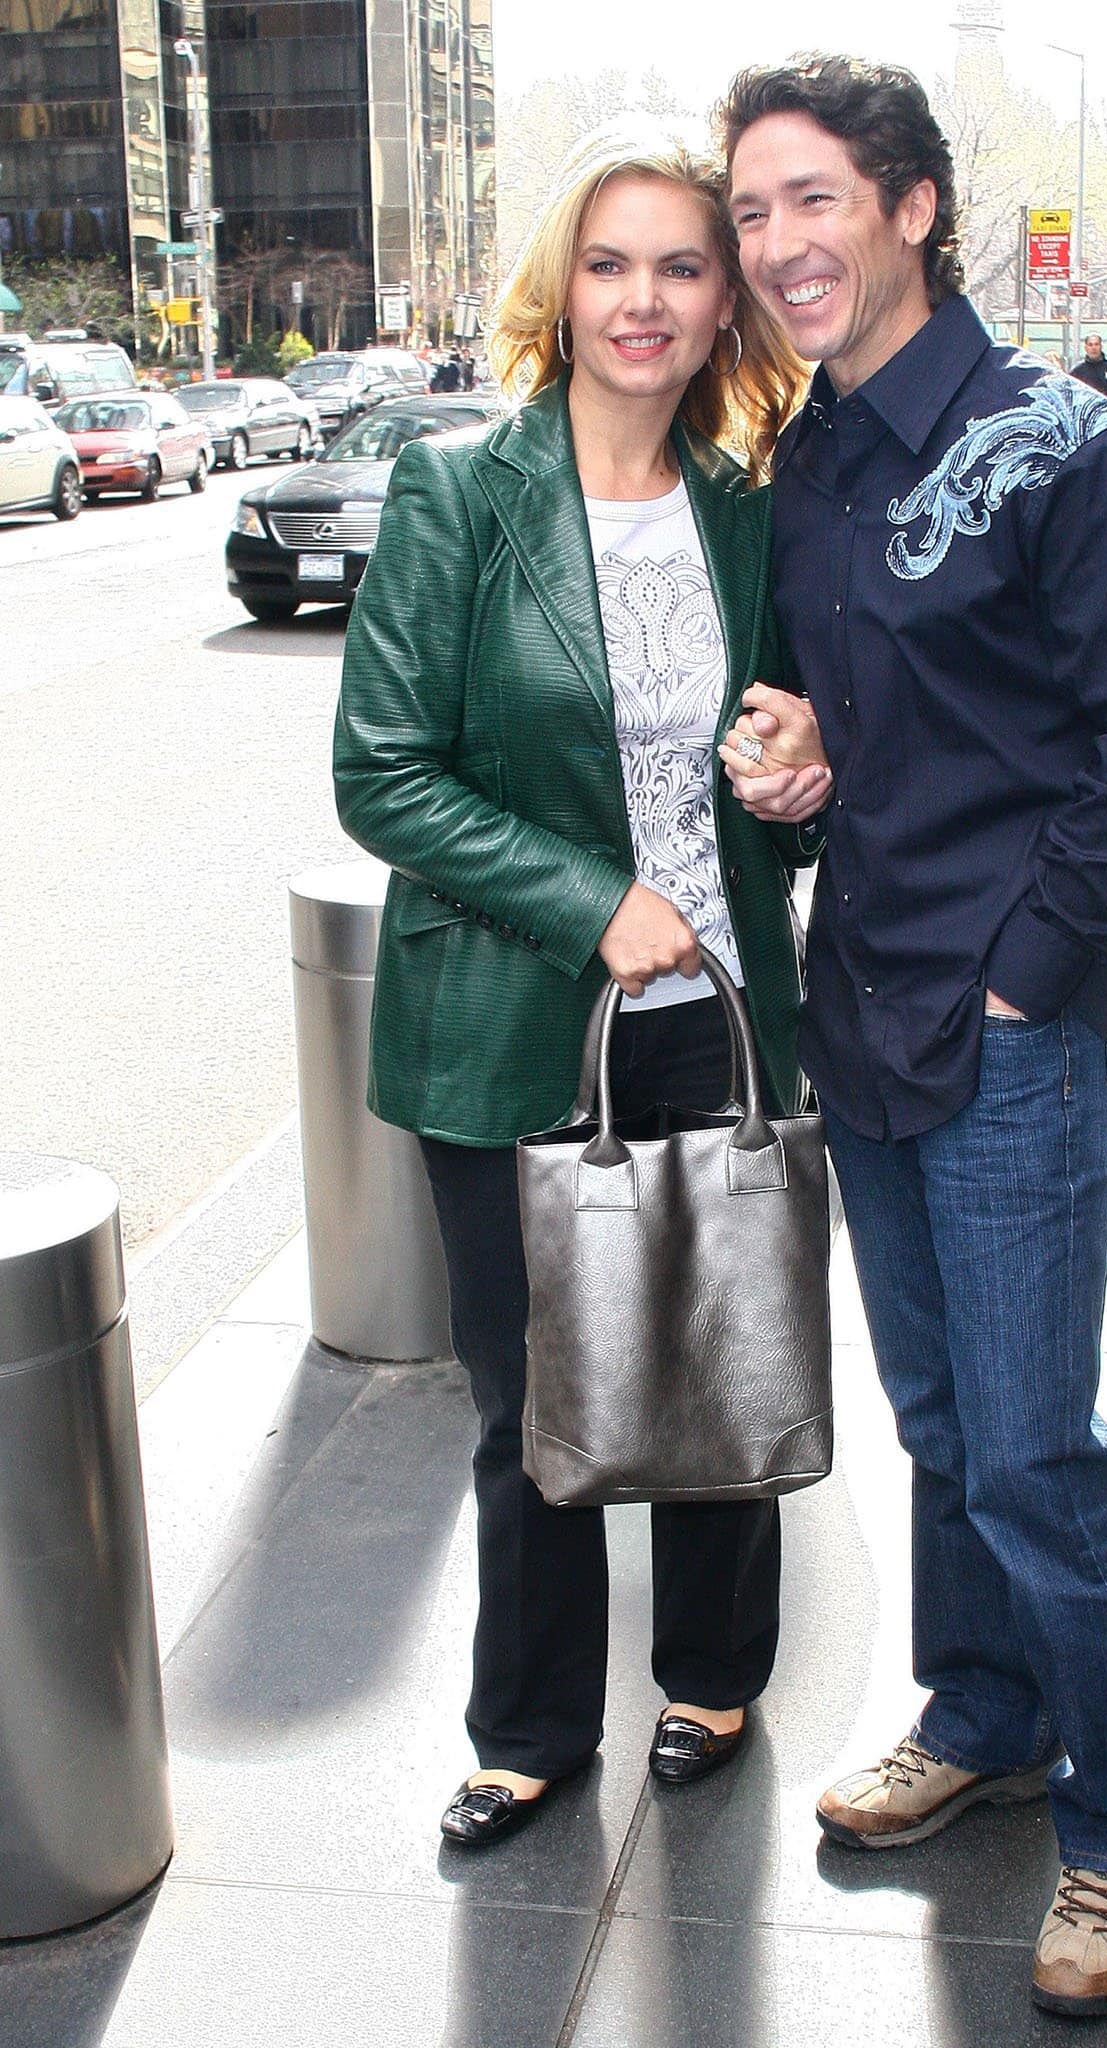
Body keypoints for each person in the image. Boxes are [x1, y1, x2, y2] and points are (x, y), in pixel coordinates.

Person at [717, 54, 1107, 2021]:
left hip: (1009, 1030)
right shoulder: (810, 461)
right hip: (862, 1008)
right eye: (751, 212)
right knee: (937, 1431)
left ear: (912, 207)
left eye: (810, 202)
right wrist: (798, 768)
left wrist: (1029, 967)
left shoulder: (1074, 450)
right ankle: (985, 1710)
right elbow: (865, 731)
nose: (776, 247)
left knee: (1029, 1448)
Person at [334, 129, 818, 1852]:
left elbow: (802, 734)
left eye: (681, 267)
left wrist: (795, 770)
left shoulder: (755, 511)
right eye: (610, 264)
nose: (643, 298)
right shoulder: (459, 493)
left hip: (724, 1009)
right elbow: (383, 772)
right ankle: (531, 1720)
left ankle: (712, 1668)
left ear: (719, 305)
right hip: (512, 1018)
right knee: (528, 1394)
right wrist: (588, 897)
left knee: (712, 1357)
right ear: (564, 288)